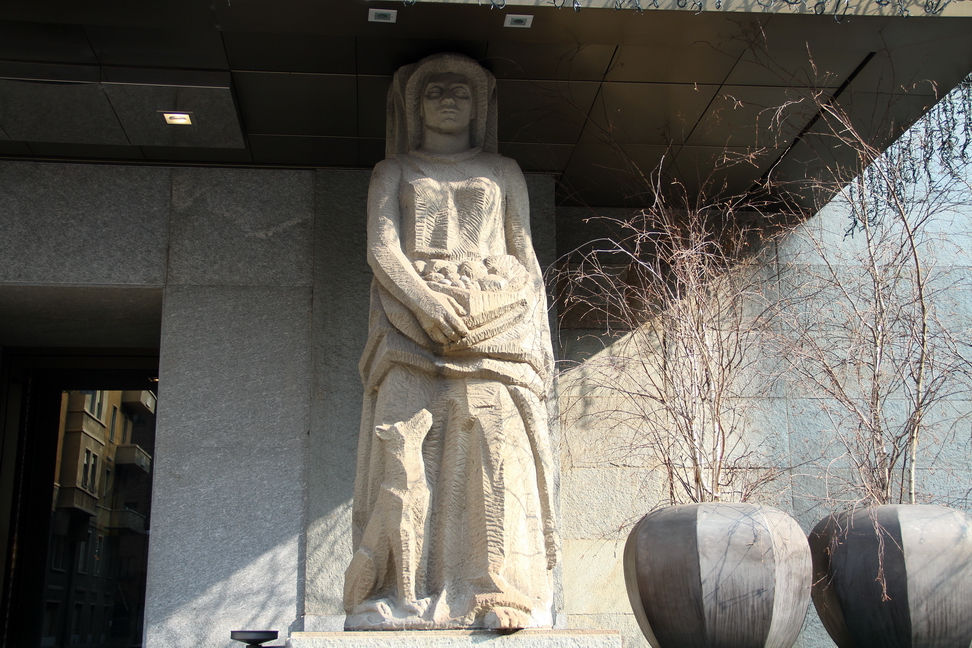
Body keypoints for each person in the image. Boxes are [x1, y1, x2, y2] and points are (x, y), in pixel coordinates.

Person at [344, 53, 559, 631]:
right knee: (404, 461)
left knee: (494, 454)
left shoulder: (503, 170)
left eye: (459, 91)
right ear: (414, 106)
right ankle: (395, 592)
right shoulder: (393, 171)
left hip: (494, 325)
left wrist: (499, 310)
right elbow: (383, 250)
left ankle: (497, 591)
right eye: (434, 89)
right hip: (409, 326)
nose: (446, 97)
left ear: (479, 106)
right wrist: (427, 304)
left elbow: (523, 253)